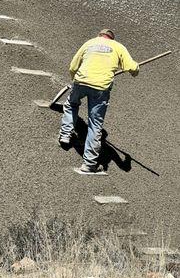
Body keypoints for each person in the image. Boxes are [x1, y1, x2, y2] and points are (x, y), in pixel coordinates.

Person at [59, 29, 139, 174]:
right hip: (101, 88)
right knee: (95, 125)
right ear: (111, 39)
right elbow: (132, 67)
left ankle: (65, 135)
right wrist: (136, 69)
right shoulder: (118, 47)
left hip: (81, 81)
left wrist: (74, 80)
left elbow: (73, 66)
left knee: (72, 104)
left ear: (100, 36)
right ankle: (89, 165)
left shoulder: (90, 43)